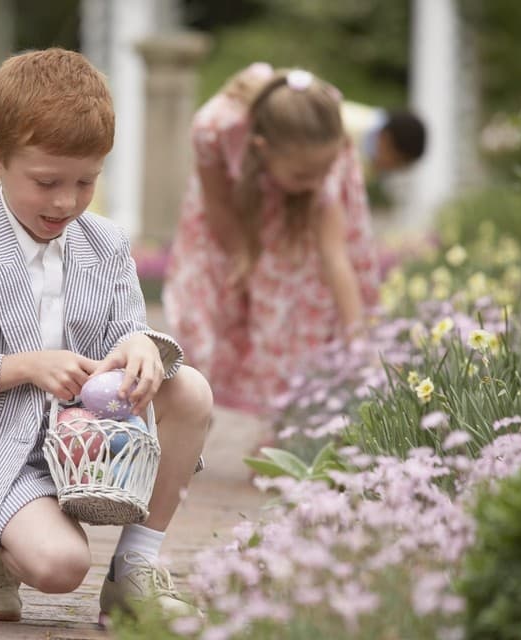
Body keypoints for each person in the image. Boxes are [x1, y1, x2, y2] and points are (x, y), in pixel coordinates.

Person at [0, 48, 213, 625]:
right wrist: (22, 366)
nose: (66, 201)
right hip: (0, 451)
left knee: (188, 388)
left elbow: (127, 327)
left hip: (91, 436)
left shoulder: (107, 244)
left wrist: (142, 346)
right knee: (62, 566)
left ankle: (133, 570)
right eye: (46, 182)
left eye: (85, 182)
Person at [163, 62, 380, 416]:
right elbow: (216, 202)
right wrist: (242, 260)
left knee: (294, 304)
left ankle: (283, 423)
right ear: (262, 148)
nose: (315, 181)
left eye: (321, 173)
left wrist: (358, 337)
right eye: (303, 175)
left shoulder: (320, 155)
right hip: (230, 207)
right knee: (209, 306)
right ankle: (195, 411)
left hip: (295, 212)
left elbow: (334, 254)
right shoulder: (214, 128)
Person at [341, 99, 426, 180]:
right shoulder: (345, 123)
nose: (391, 169)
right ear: (387, 140)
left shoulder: (369, 167)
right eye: (397, 161)